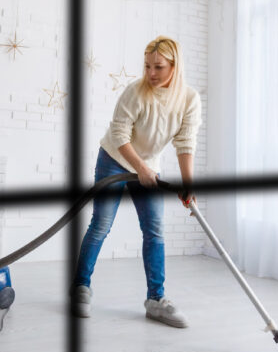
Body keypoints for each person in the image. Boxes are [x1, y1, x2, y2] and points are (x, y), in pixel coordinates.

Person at [71, 35, 202, 327]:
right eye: (147, 66)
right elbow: (119, 135)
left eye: (158, 67)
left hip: (148, 167)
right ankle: (81, 287)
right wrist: (140, 167)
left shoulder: (189, 99)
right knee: (101, 225)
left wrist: (187, 183)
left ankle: (156, 300)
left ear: (174, 66)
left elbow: (185, 143)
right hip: (113, 160)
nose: (151, 74)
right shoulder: (136, 92)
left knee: (154, 230)